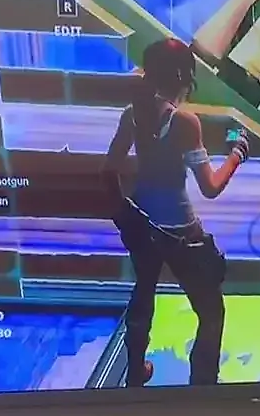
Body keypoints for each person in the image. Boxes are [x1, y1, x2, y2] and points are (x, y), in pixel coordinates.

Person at [102, 38, 249, 386]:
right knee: (211, 313)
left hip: (143, 222)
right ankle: (202, 387)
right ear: (183, 76)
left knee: (143, 294)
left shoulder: (132, 114)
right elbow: (210, 187)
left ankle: (134, 373)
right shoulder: (184, 121)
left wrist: (123, 215)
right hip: (181, 231)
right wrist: (237, 155)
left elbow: (108, 170)